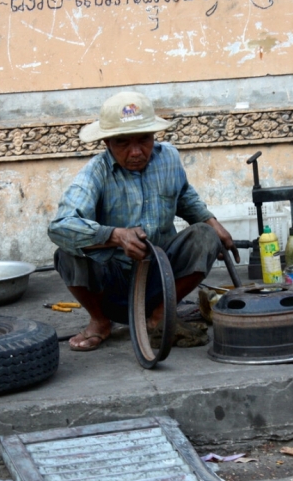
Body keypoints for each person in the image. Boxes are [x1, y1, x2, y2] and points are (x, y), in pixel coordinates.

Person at [48, 91, 238, 351]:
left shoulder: (168, 157)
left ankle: (160, 317)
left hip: (164, 278)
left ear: (154, 136)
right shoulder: (96, 172)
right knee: (67, 253)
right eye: (123, 142)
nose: (136, 152)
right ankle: (100, 321)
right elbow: (60, 226)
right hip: (113, 284)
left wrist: (211, 222)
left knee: (205, 236)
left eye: (144, 140)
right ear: (106, 143)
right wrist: (115, 235)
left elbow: (184, 196)